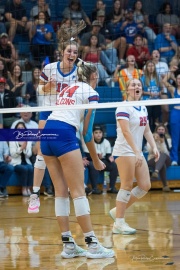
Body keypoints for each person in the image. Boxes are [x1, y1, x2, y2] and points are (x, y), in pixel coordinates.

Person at [40, 59, 115, 259]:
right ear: (94, 76)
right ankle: (92, 245)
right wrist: (96, 160)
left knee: (61, 192)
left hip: (47, 133)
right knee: (78, 191)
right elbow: (87, 133)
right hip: (64, 134)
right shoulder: (92, 93)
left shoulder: (69, 88)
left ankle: (69, 246)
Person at [27, 21, 85, 214]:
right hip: (49, 111)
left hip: (67, 115)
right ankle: (35, 194)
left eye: (75, 52)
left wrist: (73, 36)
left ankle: (65, 188)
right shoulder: (50, 68)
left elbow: (92, 76)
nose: (72, 55)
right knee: (42, 153)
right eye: (69, 51)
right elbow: (39, 90)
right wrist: (48, 87)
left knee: (65, 155)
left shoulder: (80, 70)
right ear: (62, 52)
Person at [109, 78, 159, 234]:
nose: (136, 86)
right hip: (124, 151)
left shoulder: (143, 107)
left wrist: (154, 146)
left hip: (136, 150)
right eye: (133, 85)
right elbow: (126, 131)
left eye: (139, 85)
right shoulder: (123, 107)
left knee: (145, 185)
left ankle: (117, 210)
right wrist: (137, 151)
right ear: (127, 89)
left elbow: (147, 130)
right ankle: (119, 222)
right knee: (127, 185)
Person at [83, 125, 118, 194]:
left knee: (114, 165)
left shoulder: (106, 142)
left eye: (100, 132)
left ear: (102, 134)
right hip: (92, 160)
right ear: (93, 134)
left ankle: (112, 187)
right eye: (96, 132)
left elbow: (108, 155)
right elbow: (87, 156)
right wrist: (96, 158)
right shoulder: (89, 142)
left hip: (103, 160)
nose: (98, 134)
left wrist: (110, 158)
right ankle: (94, 188)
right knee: (93, 165)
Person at [9, 122, 34, 196]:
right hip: (16, 163)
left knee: (30, 168)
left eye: (22, 128)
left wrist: (25, 149)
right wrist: (21, 148)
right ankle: (23, 188)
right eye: (19, 128)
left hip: (26, 161)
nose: (20, 130)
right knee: (24, 169)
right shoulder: (12, 140)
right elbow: (13, 154)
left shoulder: (28, 140)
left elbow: (29, 155)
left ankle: (28, 188)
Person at [147, 123, 172, 192]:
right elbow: (149, 150)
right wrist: (154, 142)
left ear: (165, 131)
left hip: (166, 158)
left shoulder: (168, 138)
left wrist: (162, 142)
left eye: (162, 129)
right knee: (162, 164)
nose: (161, 131)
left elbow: (166, 152)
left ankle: (156, 172)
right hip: (153, 159)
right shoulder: (151, 137)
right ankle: (165, 186)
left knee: (162, 155)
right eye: (159, 129)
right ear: (156, 130)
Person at [163, 70, 180, 166]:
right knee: (175, 138)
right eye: (178, 78)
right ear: (176, 80)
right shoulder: (173, 90)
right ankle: (174, 159)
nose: (179, 80)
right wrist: (171, 71)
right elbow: (164, 81)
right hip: (175, 114)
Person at [141, 60, 162, 132]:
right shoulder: (143, 78)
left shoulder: (158, 77)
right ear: (146, 68)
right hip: (147, 102)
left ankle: (155, 137)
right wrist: (148, 93)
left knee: (156, 121)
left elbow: (163, 89)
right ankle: (148, 139)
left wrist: (159, 93)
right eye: (149, 66)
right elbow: (140, 91)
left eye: (152, 66)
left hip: (156, 102)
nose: (151, 68)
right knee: (148, 121)